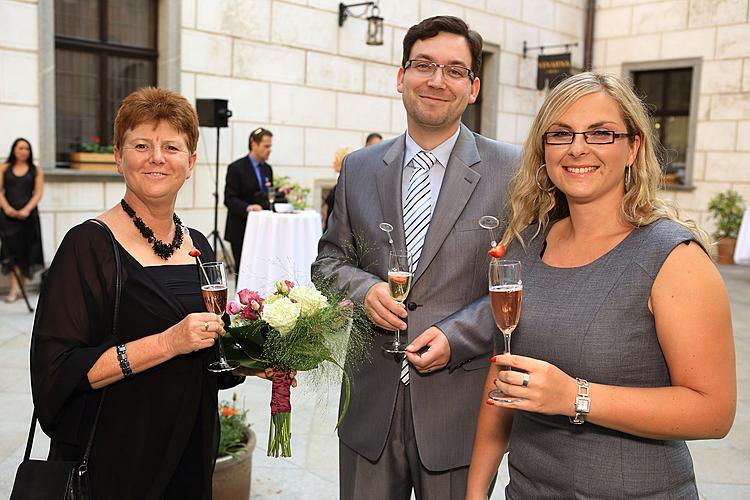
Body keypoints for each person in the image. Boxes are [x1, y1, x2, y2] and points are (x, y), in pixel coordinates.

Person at [465, 72, 736, 499]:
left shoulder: (673, 258)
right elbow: (502, 377)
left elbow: (714, 412)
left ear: (633, 147)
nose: (578, 148)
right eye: (561, 134)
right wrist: (476, 492)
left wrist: (575, 396)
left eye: (601, 133)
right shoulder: (525, 246)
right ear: (544, 151)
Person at [312, 16, 520, 500]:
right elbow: (328, 261)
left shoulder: (510, 170)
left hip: (459, 410)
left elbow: (525, 282)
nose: (436, 80)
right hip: (368, 408)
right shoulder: (360, 168)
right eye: (423, 65)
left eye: (454, 70)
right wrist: (365, 292)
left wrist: (458, 335)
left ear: (473, 87)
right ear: (401, 76)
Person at [31, 87, 249, 499]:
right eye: (141, 145)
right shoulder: (88, 246)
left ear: (191, 163)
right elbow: (57, 372)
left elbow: (211, 355)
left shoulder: (199, 245)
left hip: (190, 448)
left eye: (172, 146)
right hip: (117, 455)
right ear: (119, 157)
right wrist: (169, 342)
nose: (157, 157)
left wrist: (255, 361)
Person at [224, 127, 287, 273]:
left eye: (270, 146)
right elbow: (229, 198)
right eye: (266, 146)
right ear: (254, 144)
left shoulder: (267, 169)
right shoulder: (236, 168)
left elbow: (263, 195)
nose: (270, 149)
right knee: (243, 272)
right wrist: (249, 208)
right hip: (241, 229)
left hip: (262, 230)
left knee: (260, 272)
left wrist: (278, 192)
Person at [0, 138, 44, 302]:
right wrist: (7, 209)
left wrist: (26, 209)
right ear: (14, 150)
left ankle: (20, 289)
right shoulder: (4, 168)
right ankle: (13, 289)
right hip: (8, 218)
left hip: (28, 217)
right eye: (20, 148)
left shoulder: (36, 170)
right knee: (11, 253)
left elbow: (38, 194)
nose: (24, 151)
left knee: (26, 253)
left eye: (27, 148)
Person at [323, 146, 354, 232]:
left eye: (336, 160)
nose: (333, 162)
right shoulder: (343, 181)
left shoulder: (345, 184)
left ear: (342, 162)